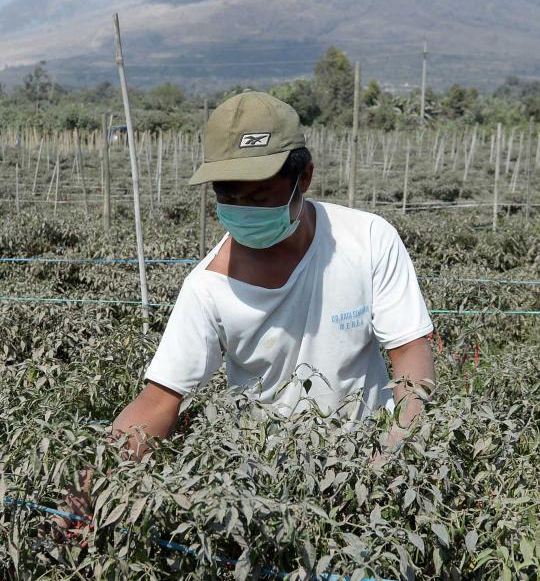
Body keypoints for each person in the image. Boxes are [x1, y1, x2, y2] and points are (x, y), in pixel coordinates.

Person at [60, 91, 435, 524]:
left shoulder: (368, 239)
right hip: (262, 490)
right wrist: (91, 492)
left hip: (369, 466)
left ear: (305, 177)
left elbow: (410, 352)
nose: (243, 211)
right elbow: (158, 402)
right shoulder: (207, 288)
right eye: (228, 196)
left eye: (258, 198)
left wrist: (396, 449)